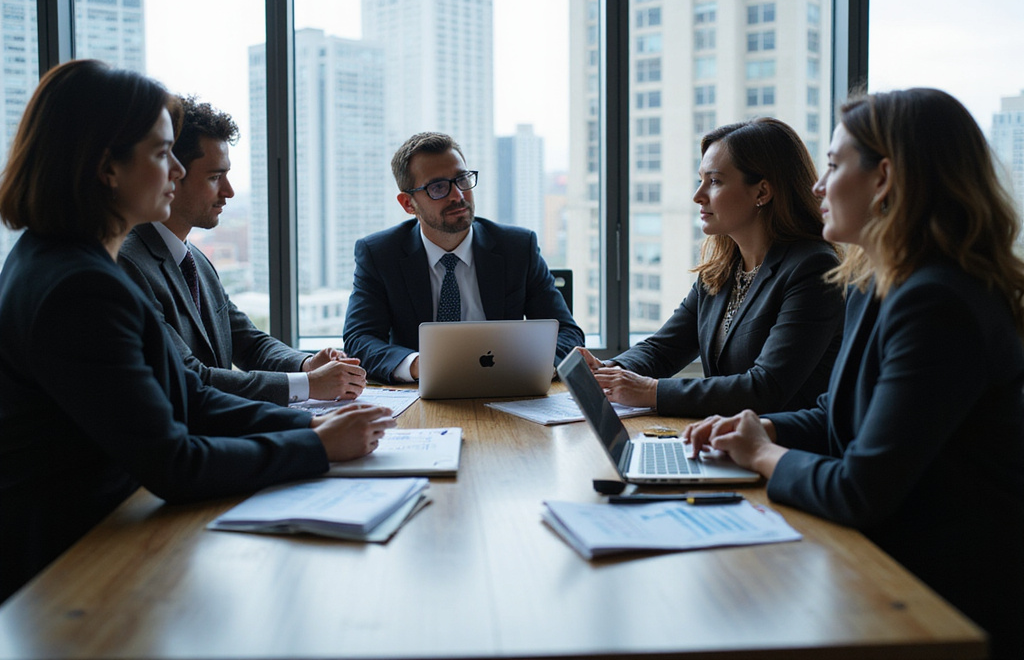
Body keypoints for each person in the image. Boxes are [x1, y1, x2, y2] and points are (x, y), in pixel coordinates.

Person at [0, 60, 395, 603]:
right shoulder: (80, 287)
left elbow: (187, 396)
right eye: (163, 154)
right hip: (74, 567)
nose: (177, 172)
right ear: (107, 167)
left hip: (106, 536)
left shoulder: (71, 262)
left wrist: (315, 424)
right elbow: (173, 463)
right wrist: (315, 445)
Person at [685, 89, 1024, 659]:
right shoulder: (875, 283)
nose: (818, 186)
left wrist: (761, 455)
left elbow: (860, 489)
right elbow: (838, 412)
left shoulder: (939, 303)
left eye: (835, 166)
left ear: (883, 178)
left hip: (945, 597)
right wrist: (766, 428)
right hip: (885, 560)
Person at [577, 117, 844, 418]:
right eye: (701, 179)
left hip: (781, 443)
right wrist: (608, 370)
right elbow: (664, 348)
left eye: (714, 181)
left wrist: (650, 391)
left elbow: (766, 388)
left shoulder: (814, 268)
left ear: (762, 192)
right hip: (726, 437)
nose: (698, 195)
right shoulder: (721, 269)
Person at [118, 96, 366, 405]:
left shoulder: (195, 260)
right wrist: (309, 385)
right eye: (214, 177)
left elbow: (248, 342)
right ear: (173, 175)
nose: (229, 191)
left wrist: (306, 364)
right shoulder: (129, 265)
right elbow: (190, 377)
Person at [343, 131, 584, 383]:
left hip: (509, 387)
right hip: (420, 395)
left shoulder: (517, 248)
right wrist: (417, 365)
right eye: (438, 187)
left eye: (462, 179)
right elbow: (359, 339)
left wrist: (526, 364)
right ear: (408, 204)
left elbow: (568, 333)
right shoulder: (380, 254)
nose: (457, 195)